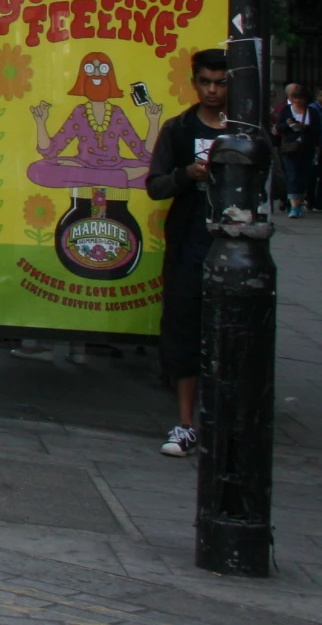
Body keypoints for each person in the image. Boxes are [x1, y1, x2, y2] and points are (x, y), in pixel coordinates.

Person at [144, 48, 232, 456]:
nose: (213, 91)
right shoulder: (179, 130)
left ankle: (225, 423)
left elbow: (278, 185)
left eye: (221, 82)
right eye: (206, 82)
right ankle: (184, 423)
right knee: (183, 331)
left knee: (230, 335)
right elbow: (156, 184)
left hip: (232, 246)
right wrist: (187, 174)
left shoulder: (246, 129)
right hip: (189, 243)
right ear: (194, 82)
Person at [275, 81, 316, 218]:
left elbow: (317, 130)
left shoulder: (312, 112)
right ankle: (294, 205)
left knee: (304, 176)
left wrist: (305, 128)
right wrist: (288, 125)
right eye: (295, 98)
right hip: (290, 148)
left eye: (300, 98)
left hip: (307, 148)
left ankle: (299, 201)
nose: (298, 101)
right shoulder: (286, 110)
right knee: (292, 175)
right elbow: (279, 127)